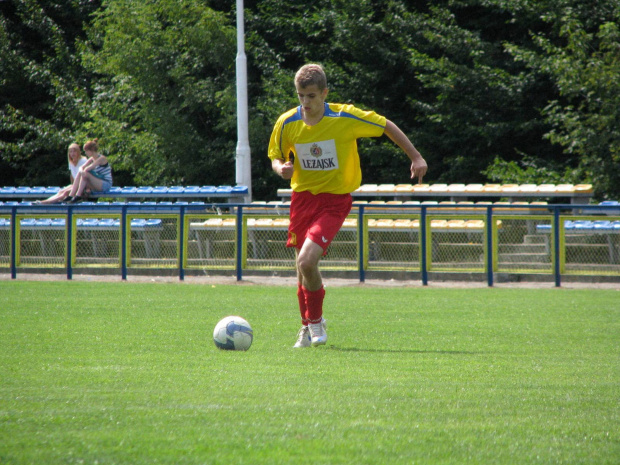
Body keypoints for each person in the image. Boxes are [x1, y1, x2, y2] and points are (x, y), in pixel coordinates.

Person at [268, 63, 428, 348]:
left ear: (325, 93)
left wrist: (415, 157)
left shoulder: (344, 117)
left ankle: (316, 322)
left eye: (312, 96)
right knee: (301, 269)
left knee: (307, 261)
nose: (305, 102)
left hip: (334, 201)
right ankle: (306, 326)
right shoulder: (287, 122)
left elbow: (385, 125)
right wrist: (281, 168)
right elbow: (276, 156)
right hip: (302, 199)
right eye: (301, 96)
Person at [66, 138, 113, 203]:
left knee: (86, 173)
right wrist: (81, 171)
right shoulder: (91, 158)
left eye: (86, 151)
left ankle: (78, 196)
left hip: (105, 184)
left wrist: (83, 171)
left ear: (91, 150)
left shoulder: (101, 158)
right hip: (98, 182)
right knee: (82, 172)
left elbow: (89, 168)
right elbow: (81, 167)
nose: (85, 153)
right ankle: (71, 196)